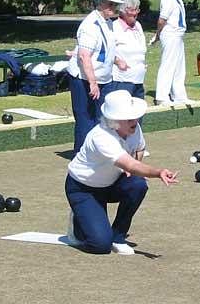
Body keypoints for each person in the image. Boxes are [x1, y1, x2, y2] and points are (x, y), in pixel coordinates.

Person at [65, 90, 178, 255]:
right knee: (100, 246)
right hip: (83, 189)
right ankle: (78, 224)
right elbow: (131, 165)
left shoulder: (134, 128)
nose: (136, 121)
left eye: (135, 117)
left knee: (138, 184)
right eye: (130, 118)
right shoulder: (101, 137)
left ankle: (118, 236)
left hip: (111, 183)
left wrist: (134, 168)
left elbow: (139, 149)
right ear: (114, 121)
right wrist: (158, 172)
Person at [67, 0, 127, 152]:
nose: (112, 8)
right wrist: (93, 83)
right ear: (100, 4)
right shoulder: (90, 25)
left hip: (103, 78)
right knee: (85, 120)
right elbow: (84, 56)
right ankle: (81, 156)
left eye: (114, 4)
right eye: (109, 4)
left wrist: (117, 61)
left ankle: (102, 153)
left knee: (106, 118)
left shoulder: (107, 23)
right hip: (83, 79)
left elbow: (104, 51)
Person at [154, 0, 192, 106]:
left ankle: (179, 95)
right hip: (170, 35)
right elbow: (162, 20)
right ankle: (162, 97)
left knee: (179, 67)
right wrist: (158, 34)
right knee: (168, 65)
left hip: (178, 35)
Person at [110, 0, 147, 102]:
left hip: (138, 80)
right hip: (122, 80)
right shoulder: (114, 27)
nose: (135, 13)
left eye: (137, 10)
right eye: (131, 10)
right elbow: (106, 52)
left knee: (137, 115)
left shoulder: (138, 26)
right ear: (122, 11)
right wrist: (117, 61)